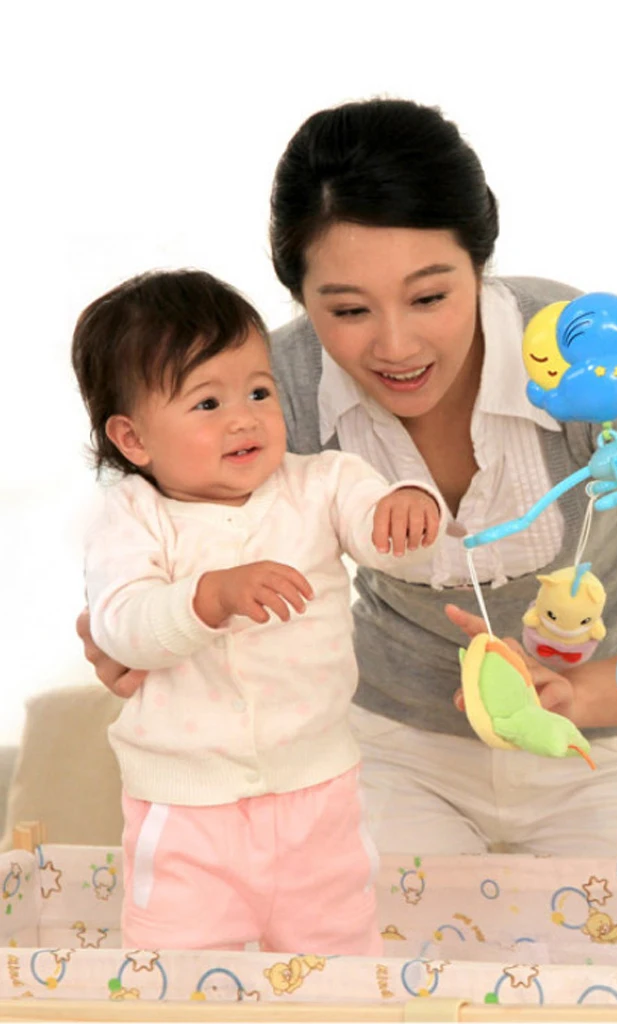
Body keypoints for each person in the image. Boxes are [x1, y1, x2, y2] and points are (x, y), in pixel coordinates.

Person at [79, 97, 617, 858]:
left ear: (480, 264)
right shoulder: (272, 393)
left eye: (430, 297)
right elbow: (165, 548)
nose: (396, 346)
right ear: (300, 298)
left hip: (604, 749)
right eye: (348, 311)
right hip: (388, 755)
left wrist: (572, 694)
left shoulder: (588, 354)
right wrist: (129, 622)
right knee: (375, 938)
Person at [71, 269, 443, 953]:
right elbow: (122, 625)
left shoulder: (320, 483)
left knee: (339, 964)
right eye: (207, 403)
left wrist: (409, 503)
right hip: (187, 811)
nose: (244, 418)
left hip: (318, 795)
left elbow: (378, 527)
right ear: (134, 439)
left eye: (259, 392)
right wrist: (209, 596)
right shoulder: (130, 517)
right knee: (175, 977)